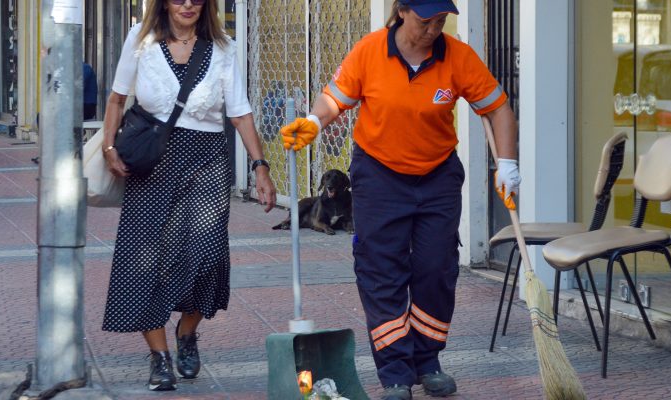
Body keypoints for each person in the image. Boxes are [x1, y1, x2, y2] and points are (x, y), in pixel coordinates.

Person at [280, 1, 520, 399]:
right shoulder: (370, 51)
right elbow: (335, 99)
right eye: (426, 21)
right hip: (379, 175)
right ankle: (394, 372)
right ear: (402, 12)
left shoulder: (457, 56)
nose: (433, 30)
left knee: (436, 268)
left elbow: (497, 109)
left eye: (441, 21)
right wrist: (314, 121)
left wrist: (507, 165)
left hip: (437, 175)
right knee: (381, 269)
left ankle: (428, 363)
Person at [100, 0, 276, 392]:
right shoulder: (140, 38)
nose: (188, 4)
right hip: (152, 160)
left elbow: (241, 112)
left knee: (208, 256)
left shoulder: (224, 47)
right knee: (143, 257)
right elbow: (116, 98)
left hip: (207, 160)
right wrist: (109, 148)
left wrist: (260, 166)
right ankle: (159, 357)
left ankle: (188, 332)